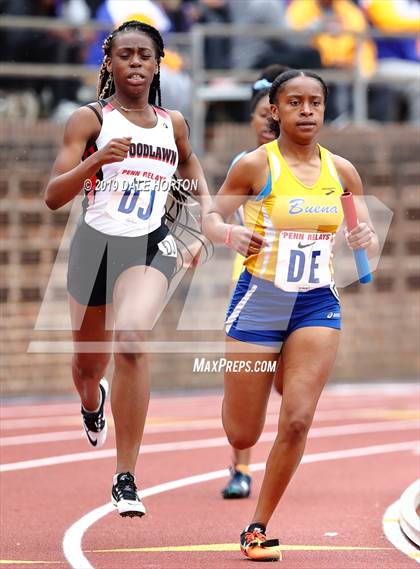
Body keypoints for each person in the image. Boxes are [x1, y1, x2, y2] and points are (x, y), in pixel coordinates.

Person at [203, 69, 378, 561]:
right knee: (243, 432)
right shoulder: (256, 166)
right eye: (295, 102)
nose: (306, 111)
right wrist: (227, 235)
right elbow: (211, 216)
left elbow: (359, 230)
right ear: (274, 111)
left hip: (316, 302)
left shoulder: (342, 171)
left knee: (298, 418)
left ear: (324, 110)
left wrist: (364, 238)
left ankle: (256, 527)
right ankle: (237, 405)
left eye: (315, 103)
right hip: (259, 299)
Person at [44, 20, 210, 518]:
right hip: (95, 245)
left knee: (133, 340)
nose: (135, 63)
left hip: (149, 246)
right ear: (109, 64)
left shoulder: (172, 122)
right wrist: (95, 163)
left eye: (145, 55)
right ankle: (92, 401)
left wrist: (207, 215)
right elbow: (53, 196)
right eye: (126, 55)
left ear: (159, 63)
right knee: (87, 366)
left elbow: (190, 164)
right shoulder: (89, 120)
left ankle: (125, 475)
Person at [221, 64, 287, 501]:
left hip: (303, 292)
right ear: (251, 119)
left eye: (272, 115)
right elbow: (215, 215)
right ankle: (240, 469)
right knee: (251, 383)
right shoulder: (244, 166)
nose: (266, 122)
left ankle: (285, 456)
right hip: (252, 288)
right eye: (259, 115)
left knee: (286, 385)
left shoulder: (309, 164)